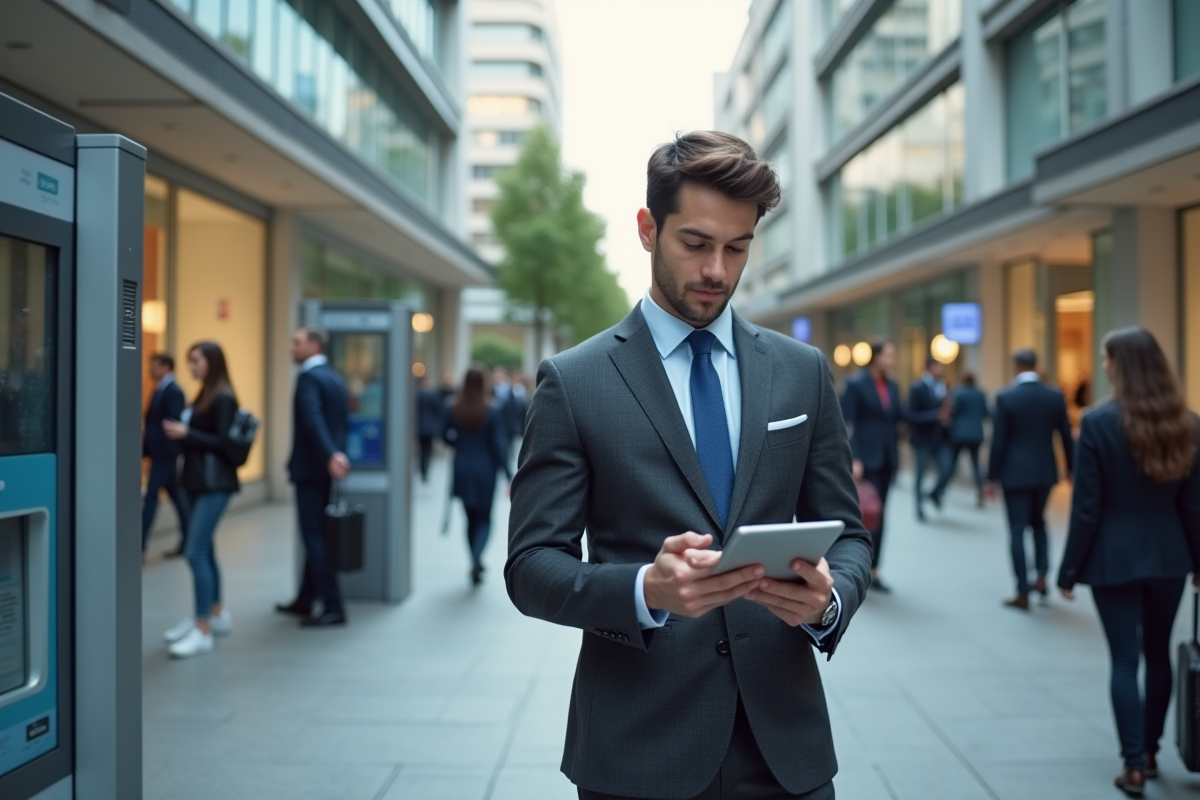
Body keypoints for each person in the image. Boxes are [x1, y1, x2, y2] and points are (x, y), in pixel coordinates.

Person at [506, 131, 872, 800]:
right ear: (648, 229)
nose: (717, 271)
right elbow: (531, 567)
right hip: (638, 750)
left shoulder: (801, 373)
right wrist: (646, 589)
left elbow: (846, 532)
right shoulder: (574, 381)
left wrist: (830, 600)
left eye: (737, 248)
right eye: (696, 244)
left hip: (786, 749)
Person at [1057, 327, 1200, 796]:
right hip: (1170, 556)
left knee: (1124, 660)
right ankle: (1154, 751)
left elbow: (1088, 508)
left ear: (1121, 365)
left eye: (1106, 358)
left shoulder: (1098, 423)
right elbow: (1193, 506)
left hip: (1112, 558)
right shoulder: (1187, 423)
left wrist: (1069, 569)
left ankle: (1133, 764)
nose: (1103, 366)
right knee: (1158, 654)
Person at [160, 342, 239, 658]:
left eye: (196, 361)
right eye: (189, 360)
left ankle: (202, 628)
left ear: (212, 363)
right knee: (206, 548)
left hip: (214, 484)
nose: (191, 366)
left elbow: (224, 442)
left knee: (194, 551)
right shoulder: (206, 393)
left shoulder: (223, 397)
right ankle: (214, 614)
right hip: (197, 482)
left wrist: (185, 432)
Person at [276, 326, 351, 627]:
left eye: (297, 342)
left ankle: (333, 605)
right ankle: (306, 599)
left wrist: (329, 454)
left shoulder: (309, 377)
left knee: (314, 536)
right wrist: (337, 453)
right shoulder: (334, 377)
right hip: (326, 469)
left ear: (314, 346)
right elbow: (343, 422)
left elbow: (312, 418)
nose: (291, 348)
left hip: (311, 469)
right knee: (315, 533)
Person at [987, 349, 1073, 610]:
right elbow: (1066, 435)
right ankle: (1043, 577)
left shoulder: (1006, 397)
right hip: (1045, 470)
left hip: (1014, 473)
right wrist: (1071, 467)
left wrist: (991, 477)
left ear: (1015, 366)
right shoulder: (1054, 396)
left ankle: (1022, 590)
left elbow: (998, 441)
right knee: (1039, 523)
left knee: (1016, 529)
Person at [840, 338, 900, 593]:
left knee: (880, 514)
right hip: (866, 459)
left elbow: (902, 416)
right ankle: (858, 568)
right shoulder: (856, 385)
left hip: (888, 458)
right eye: (889, 354)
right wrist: (855, 457)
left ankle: (875, 570)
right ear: (876, 357)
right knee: (864, 515)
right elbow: (844, 423)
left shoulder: (893, 386)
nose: (893, 359)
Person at [444, 367, 512, 585]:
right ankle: (476, 557)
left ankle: (473, 557)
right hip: (485, 468)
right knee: (484, 518)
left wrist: (458, 444)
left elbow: (443, 435)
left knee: (469, 517)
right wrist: (509, 474)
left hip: (462, 466)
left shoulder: (453, 407)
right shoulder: (491, 409)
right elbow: (497, 444)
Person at [141, 352, 190, 556]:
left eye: (155, 365)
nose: (151, 369)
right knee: (177, 497)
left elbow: (172, 422)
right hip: (159, 454)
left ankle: (138, 545)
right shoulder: (160, 388)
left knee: (151, 496)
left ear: (166, 367)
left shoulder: (173, 391)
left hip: (165, 455)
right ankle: (189, 540)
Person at [931, 372, 989, 509]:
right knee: (976, 466)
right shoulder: (980, 394)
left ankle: (939, 491)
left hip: (959, 434)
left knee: (951, 465)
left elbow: (950, 411)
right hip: (975, 434)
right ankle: (981, 493)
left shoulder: (958, 393)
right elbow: (985, 413)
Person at [907, 356, 951, 521]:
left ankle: (934, 494)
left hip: (940, 439)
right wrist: (934, 416)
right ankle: (918, 507)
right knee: (920, 474)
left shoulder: (942, 386)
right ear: (930, 367)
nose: (942, 370)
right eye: (940, 367)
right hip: (922, 438)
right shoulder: (918, 387)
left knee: (947, 468)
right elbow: (910, 415)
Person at [416, 375, 443, 483]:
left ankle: (422, 469)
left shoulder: (417, 395)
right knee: (427, 451)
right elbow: (438, 410)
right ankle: (425, 471)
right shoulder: (433, 395)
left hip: (419, 427)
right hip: (429, 427)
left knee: (422, 449)